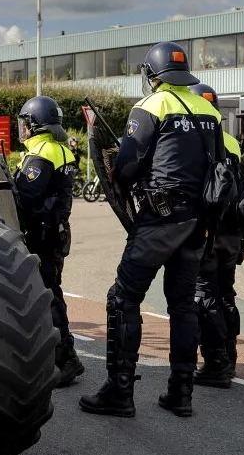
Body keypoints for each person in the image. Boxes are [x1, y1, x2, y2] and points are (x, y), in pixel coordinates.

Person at [79, 41, 223, 419]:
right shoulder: (209, 110)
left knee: (123, 298)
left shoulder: (151, 107)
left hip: (159, 220)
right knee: (182, 305)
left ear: (151, 74)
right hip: (197, 222)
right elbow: (220, 167)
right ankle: (181, 392)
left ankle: (120, 390)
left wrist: (119, 165)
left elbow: (127, 165)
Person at [14, 96, 83, 387]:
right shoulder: (61, 149)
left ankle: (66, 359)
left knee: (47, 295)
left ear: (33, 124)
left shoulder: (42, 152)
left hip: (41, 234)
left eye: (23, 122)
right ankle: (59, 355)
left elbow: (26, 196)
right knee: (51, 291)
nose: (21, 128)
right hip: (55, 231)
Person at [189, 84, 244, 388]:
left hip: (208, 233)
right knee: (226, 294)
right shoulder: (233, 143)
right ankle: (230, 356)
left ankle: (215, 363)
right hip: (232, 235)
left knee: (205, 295)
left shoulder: (193, 142)